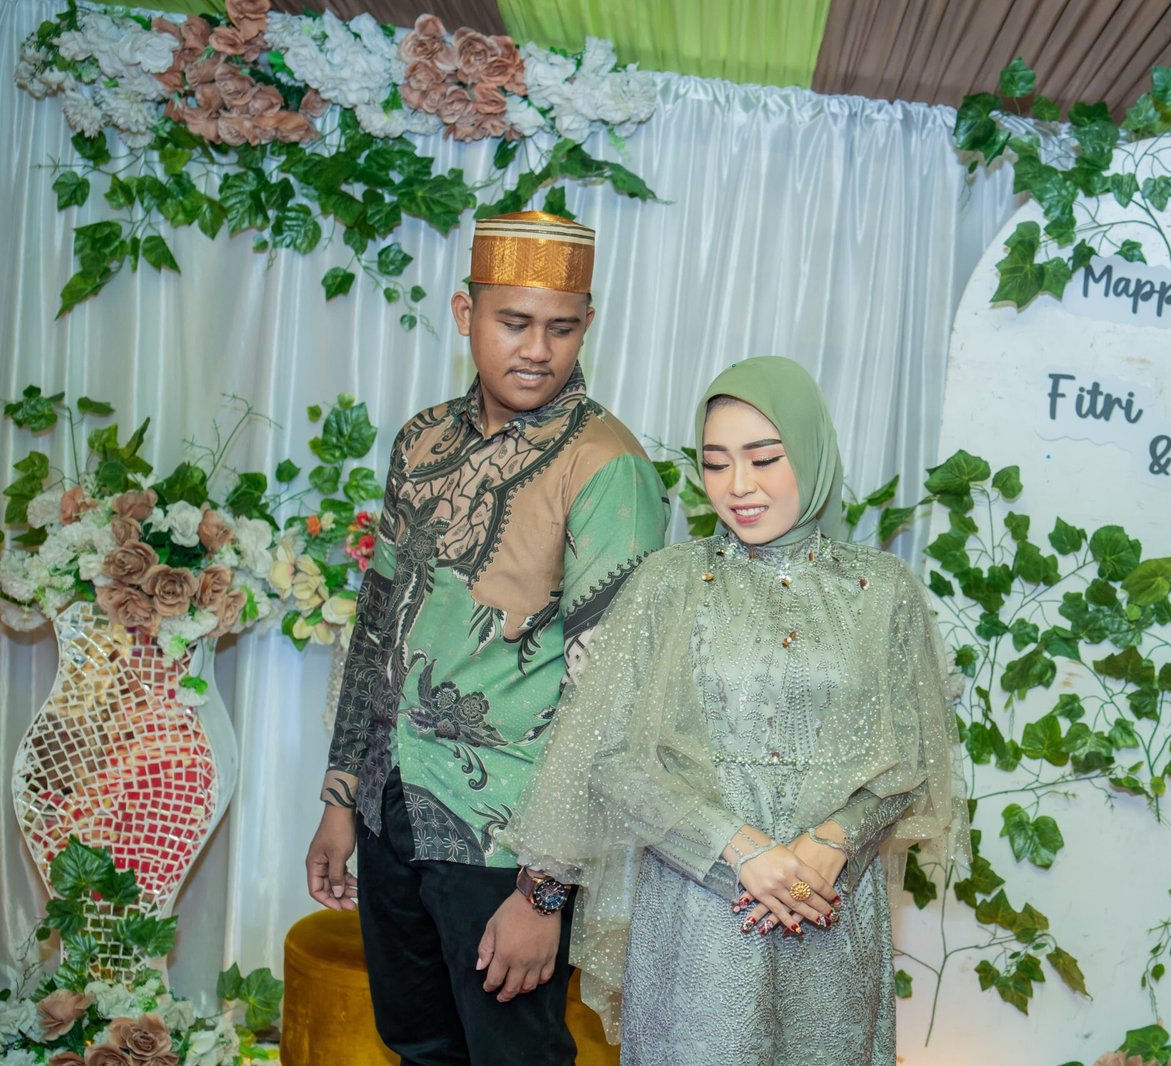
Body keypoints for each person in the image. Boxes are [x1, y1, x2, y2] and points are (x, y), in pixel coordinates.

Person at [497, 356, 969, 1065]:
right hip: (699, 917)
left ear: (810, 451)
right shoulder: (667, 584)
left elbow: (911, 755)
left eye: (765, 458)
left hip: (829, 911)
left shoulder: (883, 590)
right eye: (716, 464)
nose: (738, 486)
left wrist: (832, 843)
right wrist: (740, 851)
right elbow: (613, 758)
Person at [303, 211, 668, 1066]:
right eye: (515, 322)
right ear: (466, 313)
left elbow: (611, 700)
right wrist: (341, 797)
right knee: (416, 1045)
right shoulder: (421, 440)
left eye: (562, 327)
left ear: (588, 324)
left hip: (507, 838)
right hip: (390, 807)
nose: (538, 349)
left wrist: (544, 894)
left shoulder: (607, 467)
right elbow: (378, 625)